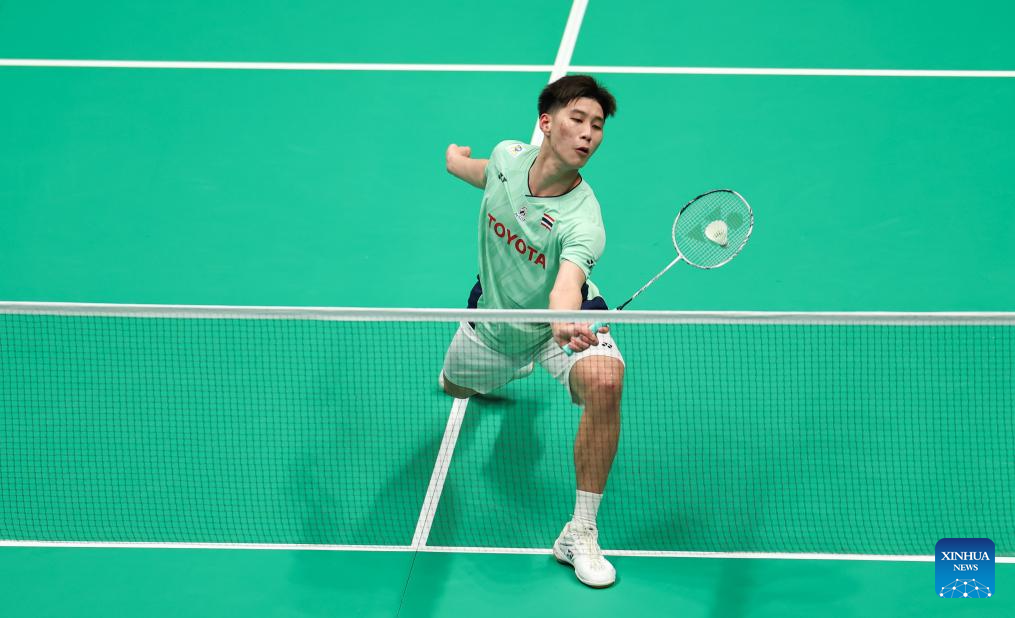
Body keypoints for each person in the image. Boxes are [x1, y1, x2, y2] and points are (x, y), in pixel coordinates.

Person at [440, 75, 623, 588]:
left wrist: (565, 320)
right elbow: (483, 173)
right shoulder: (507, 157)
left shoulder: (585, 220)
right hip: (495, 324)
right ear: (546, 123)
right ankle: (507, 371)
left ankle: (579, 532)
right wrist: (454, 160)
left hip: (563, 327)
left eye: (597, 126)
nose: (588, 134)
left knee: (606, 384)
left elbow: (567, 285)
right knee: (455, 388)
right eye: (577, 119)